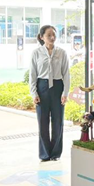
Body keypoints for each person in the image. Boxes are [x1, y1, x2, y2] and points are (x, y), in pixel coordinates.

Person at [29, 25, 70, 162]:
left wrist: (65, 93)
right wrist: (34, 93)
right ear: (42, 37)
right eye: (49, 35)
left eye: (54, 35)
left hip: (58, 87)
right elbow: (32, 75)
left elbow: (66, 74)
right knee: (43, 122)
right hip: (42, 88)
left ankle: (55, 153)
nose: (52, 38)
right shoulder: (36, 53)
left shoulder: (62, 53)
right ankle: (45, 154)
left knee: (58, 121)